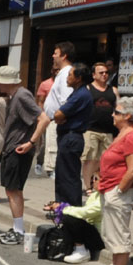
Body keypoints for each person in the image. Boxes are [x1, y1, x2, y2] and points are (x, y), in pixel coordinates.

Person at [88, 96, 133, 265]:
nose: (113, 115)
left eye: (117, 112)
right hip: (110, 188)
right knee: (110, 230)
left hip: (119, 191)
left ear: (128, 115)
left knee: (119, 231)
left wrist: (120, 189)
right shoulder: (122, 134)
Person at [27, 61, 93, 207]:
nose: (67, 78)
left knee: (68, 175)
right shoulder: (76, 93)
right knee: (62, 173)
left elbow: (58, 114)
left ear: (79, 78)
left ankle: (70, 207)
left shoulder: (81, 95)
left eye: (70, 75)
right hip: (66, 136)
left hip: (72, 136)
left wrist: (60, 117)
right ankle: (61, 204)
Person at [0, 66, 40, 245]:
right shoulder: (15, 96)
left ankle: (19, 230)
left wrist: (31, 142)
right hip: (14, 147)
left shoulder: (21, 96)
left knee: (13, 190)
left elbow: (43, 119)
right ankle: (17, 227)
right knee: (12, 189)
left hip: (18, 148)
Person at [35, 41, 75, 180]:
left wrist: (59, 117)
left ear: (64, 56)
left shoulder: (66, 74)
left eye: (56, 53)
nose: (53, 56)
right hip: (55, 120)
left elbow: (67, 101)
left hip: (60, 122)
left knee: (56, 152)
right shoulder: (62, 73)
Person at [83, 62, 117, 193]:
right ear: (93, 75)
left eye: (106, 72)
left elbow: (118, 107)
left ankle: (101, 184)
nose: (104, 75)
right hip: (91, 129)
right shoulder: (87, 89)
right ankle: (88, 187)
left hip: (108, 131)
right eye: (101, 72)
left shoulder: (113, 90)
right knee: (90, 159)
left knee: (105, 160)